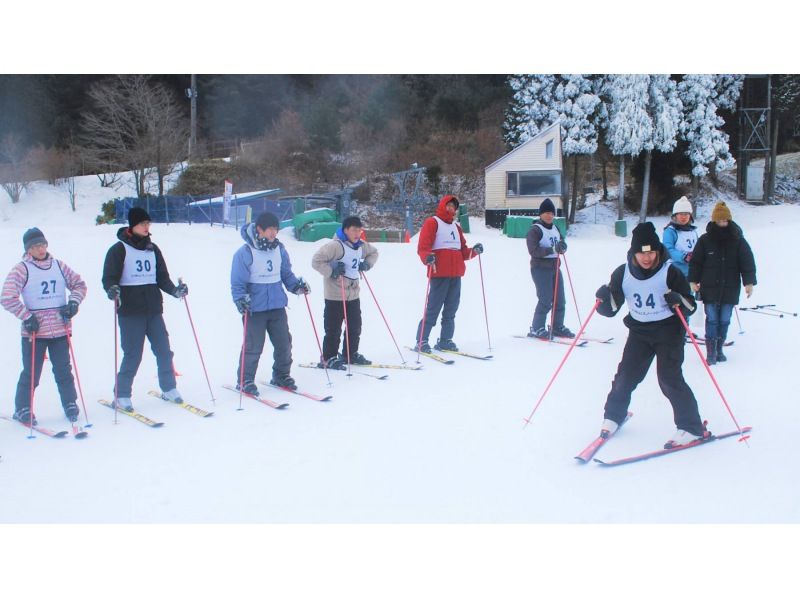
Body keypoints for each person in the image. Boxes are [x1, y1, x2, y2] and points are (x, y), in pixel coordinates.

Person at [595, 221, 708, 448]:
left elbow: (690, 306)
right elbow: (612, 309)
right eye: (641, 254)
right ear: (634, 253)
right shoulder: (622, 273)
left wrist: (678, 299)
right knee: (626, 376)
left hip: (669, 331)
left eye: (652, 253)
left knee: (669, 378)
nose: (647, 259)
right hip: (640, 332)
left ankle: (692, 427)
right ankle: (614, 415)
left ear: (658, 252)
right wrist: (602, 302)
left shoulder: (670, 272)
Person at [102, 208, 187, 411]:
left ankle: (168, 388)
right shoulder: (119, 249)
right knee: (133, 355)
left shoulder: (153, 248)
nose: (147, 227)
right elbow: (109, 278)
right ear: (132, 226)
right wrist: (112, 289)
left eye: (148, 224)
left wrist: (175, 291)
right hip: (130, 312)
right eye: (143, 224)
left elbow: (162, 278)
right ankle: (121, 394)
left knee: (164, 351)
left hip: (153, 310)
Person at [2, 228, 87, 425]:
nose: (40, 249)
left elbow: (79, 285)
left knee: (63, 370)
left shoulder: (58, 265)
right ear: (28, 249)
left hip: (59, 328)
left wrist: (73, 303)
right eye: (34, 246)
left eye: (42, 244)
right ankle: (23, 408)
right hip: (35, 331)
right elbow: (7, 297)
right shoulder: (21, 269)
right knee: (31, 372)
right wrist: (26, 316)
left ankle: (70, 403)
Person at [231, 212, 309, 393]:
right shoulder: (245, 253)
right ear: (259, 229)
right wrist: (240, 300)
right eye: (270, 229)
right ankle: (245, 380)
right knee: (253, 346)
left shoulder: (279, 249)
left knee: (284, 343)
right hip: (254, 309)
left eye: (276, 229)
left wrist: (297, 286)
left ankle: (281, 375)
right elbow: (237, 283)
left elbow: (286, 274)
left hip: (277, 306)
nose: (274, 233)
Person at [688, 201, 757, 365]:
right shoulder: (705, 240)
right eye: (719, 221)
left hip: (730, 287)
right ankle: (710, 351)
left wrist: (749, 283)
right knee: (712, 318)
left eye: (725, 221)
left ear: (729, 221)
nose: (722, 224)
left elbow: (747, 262)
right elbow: (696, 262)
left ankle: (719, 348)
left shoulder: (738, 240)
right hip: (710, 287)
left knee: (725, 318)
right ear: (714, 221)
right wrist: (693, 280)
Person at [414, 195, 482, 353]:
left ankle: (445, 340)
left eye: (454, 207)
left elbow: (463, 251)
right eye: (449, 206)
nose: (451, 209)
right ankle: (421, 340)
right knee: (433, 309)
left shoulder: (456, 228)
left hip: (455, 275)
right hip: (439, 274)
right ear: (443, 206)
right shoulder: (433, 222)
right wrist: (427, 257)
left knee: (451, 309)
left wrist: (474, 251)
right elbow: (423, 247)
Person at [311, 215, 378, 369]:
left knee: (355, 326)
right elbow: (316, 261)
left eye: (359, 230)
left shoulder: (360, 246)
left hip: (353, 294)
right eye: (354, 230)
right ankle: (328, 357)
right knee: (333, 328)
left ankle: (350, 353)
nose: (357, 234)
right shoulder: (336, 246)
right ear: (345, 230)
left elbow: (374, 253)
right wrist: (332, 271)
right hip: (335, 294)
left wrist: (367, 264)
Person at [525, 197, 574, 339]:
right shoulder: (535, 230)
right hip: (540, 269)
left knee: (560, 299)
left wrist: (562, 247)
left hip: (555, 267)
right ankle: (536, 327)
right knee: (545, 299)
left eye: (551, 213)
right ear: (540, 214)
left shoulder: (555, 228)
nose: (549, 215)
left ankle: (557, 326)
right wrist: (553, 249)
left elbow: (561, 242)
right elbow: (533, 250)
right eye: (546, 213)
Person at [662, 195, 700, 335]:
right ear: (675, 215)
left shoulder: (693, 230)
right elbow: (668, 249)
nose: (683, 217)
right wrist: (684, 257)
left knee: (687, 301)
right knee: (675, 300)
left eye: (686, 214)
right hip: (676, 272)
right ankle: (673, 328)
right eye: (680, 214)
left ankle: (684, 328)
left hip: (691, 273)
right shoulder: (670, 231)